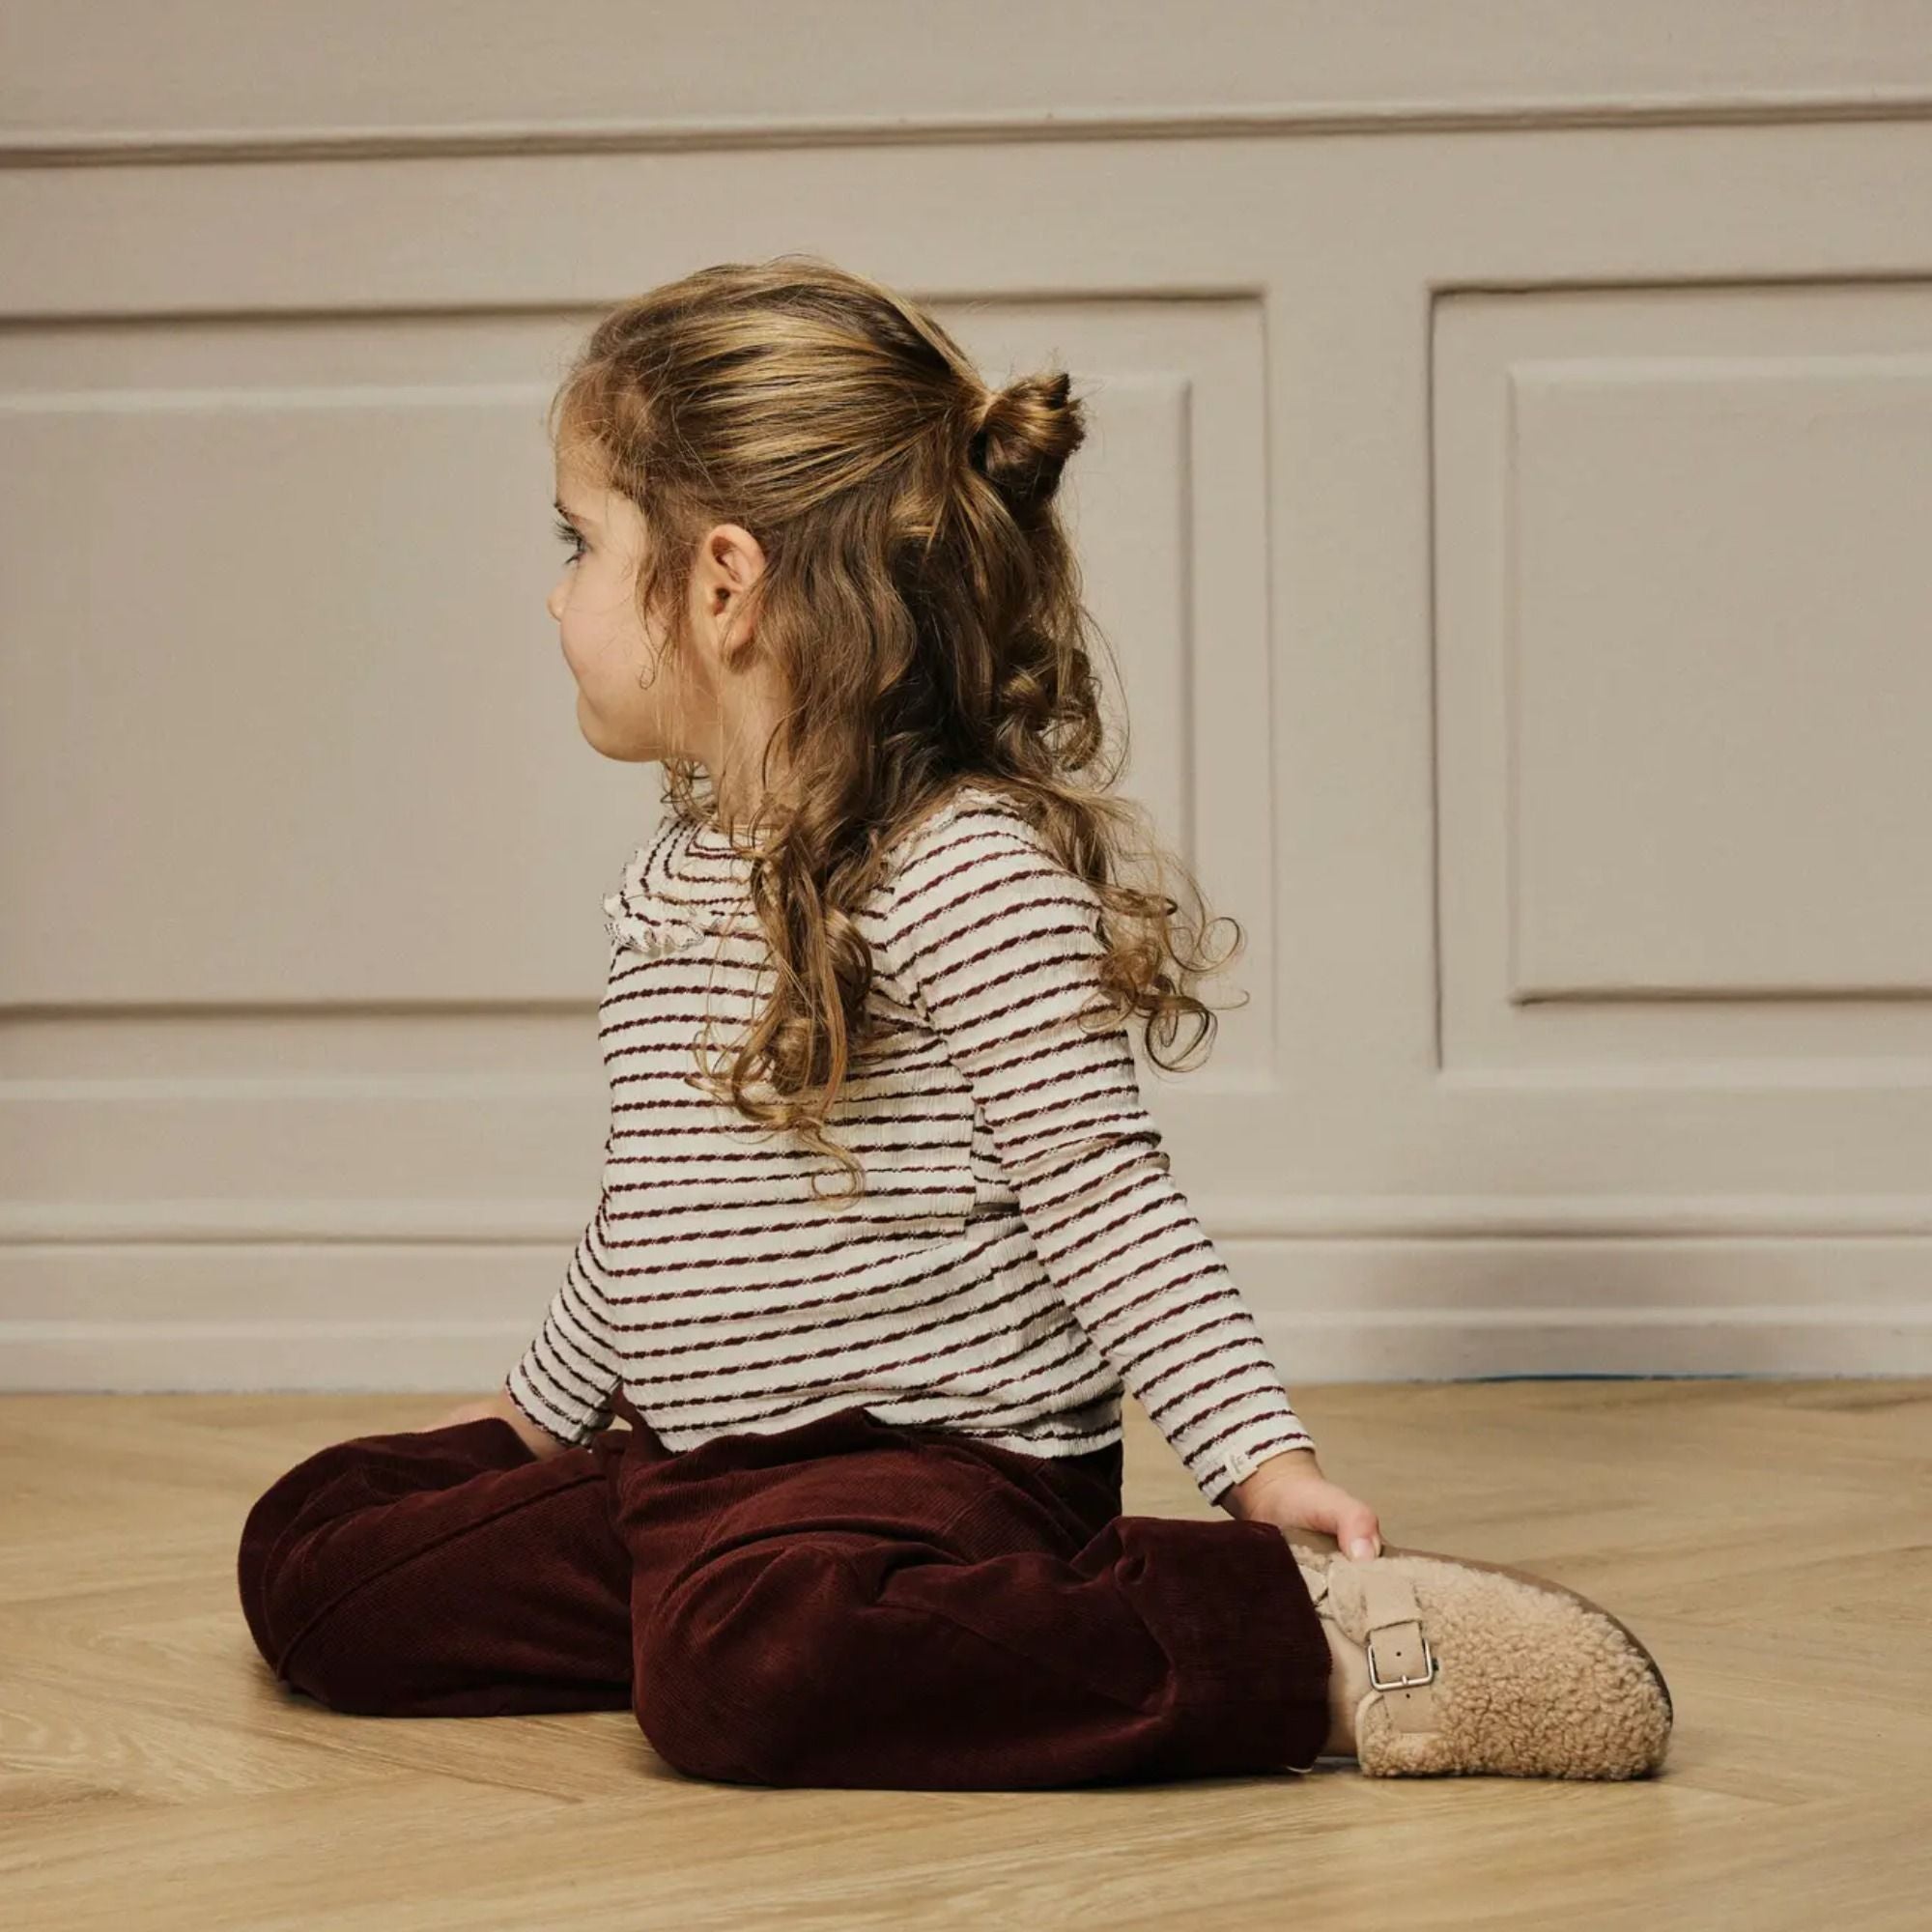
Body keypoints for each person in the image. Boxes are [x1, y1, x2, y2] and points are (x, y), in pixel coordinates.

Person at [237, 255, 1673, 1789]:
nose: (555, 590)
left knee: (738, 1677)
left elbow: (1107, 1198)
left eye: (579, 542)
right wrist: (533, 1420)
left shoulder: (961, 869)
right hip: (694, 1471)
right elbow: (652, 1209)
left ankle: (1306, 1643)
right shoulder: (678, 872)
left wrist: (1262, 1464)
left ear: (722, 584)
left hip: (933, 1475)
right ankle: (753, 1615)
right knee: (315, 1560)